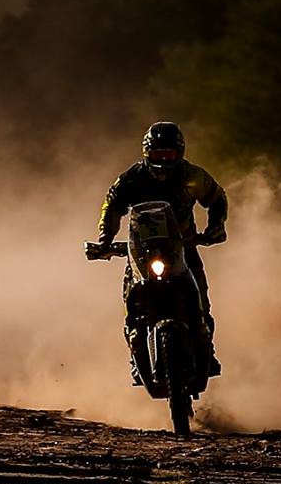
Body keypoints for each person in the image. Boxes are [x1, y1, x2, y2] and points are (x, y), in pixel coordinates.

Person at [95, 120, 229, 373]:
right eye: (158, 154)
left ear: (180, 153)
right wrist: (105, 240)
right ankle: (136, 355)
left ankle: (206, 351)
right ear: (147, 153)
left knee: (201, 302)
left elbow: (217, 198)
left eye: (169, 154)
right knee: (132, 305)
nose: (164, 160)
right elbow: (111, 207)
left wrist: (215, 227)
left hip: (183, 248)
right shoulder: (130, 180)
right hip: (140, 252)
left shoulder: (193, 176)